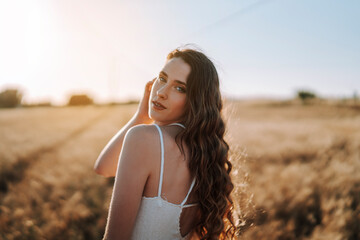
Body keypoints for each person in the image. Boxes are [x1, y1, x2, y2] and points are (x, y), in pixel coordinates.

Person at [94, 47, 236, 239]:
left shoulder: (143, 138)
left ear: (195, 101)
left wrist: (140, 119)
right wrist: (142, 115)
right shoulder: (205, 155)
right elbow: (105, 167)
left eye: (179, 88)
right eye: (162, 78)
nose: (161, 92)